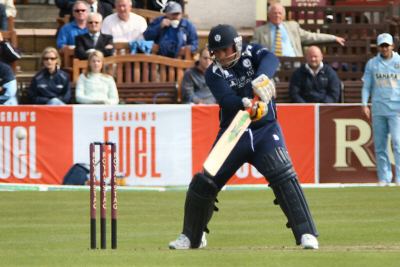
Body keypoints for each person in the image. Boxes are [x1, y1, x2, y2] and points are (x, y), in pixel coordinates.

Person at [169, 24, 319, 250]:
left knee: (284, 175)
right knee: (204, 181)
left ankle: (307, 233)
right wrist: (244, 103)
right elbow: (226, 99)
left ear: (236, 46)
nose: (219, 55)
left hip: (265, 131)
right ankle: (192, 237)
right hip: (234, 132)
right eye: (215, 51)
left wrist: (260, 79)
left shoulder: (251, 53)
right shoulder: (213, 72)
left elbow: (271, 59)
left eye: (223, 50)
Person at [361, 33, 400, 186]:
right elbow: (367, 86)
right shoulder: (372, 64)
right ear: (378, 47)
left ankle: (399, 178)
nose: (384, 49)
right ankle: (384, 177)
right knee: (380, 144)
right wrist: (364, 104)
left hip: (396, 108)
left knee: (397, 143)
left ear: (392, 46)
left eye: (387, 45)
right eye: (382, 46)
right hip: (378, 108)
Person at [252, 3, 345, 57]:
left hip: (294, 61)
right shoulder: (260, 31)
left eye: (280, 13)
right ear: (269, 15)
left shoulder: (293, 27)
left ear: (284, 16)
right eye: (274, 13)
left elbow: (312, 36)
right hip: (272, 62)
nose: (277, 15)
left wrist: (333, 38)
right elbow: (252, 48)